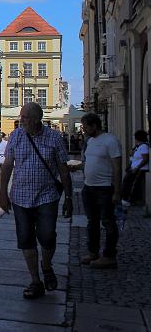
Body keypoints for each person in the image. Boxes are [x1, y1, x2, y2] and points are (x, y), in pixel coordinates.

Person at [0, 102, 72, 299]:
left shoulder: (54, 137)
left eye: (25, 118)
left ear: (37, 119)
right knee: (26, 241)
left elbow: (63, 169)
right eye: (21, 117)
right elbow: (7, 166)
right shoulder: (16, 136)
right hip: (20, 197)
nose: (21, 120)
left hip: (47, 196)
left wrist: (69, 198)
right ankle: (35, 280)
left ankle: (46, 265)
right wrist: (3, 194)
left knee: (48, 236)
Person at [79, 113, 121, 269]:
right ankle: (93, 252)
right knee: (92, 222)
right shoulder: (90, 141)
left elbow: (117, 168)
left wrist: (117, 191)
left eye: (85, 127)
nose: (84, 130)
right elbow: (90, 162)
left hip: (104, 188)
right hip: (89, 187)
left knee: (108, 222)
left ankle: (109, 256)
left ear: (94, 126)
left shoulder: (110, 141)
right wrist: (77, 167)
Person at [122, 130, 149, 206]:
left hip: (140, 169)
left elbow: (145, 159)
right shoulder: (139, 146)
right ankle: (125, 199)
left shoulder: (144, 146)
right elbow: (134, 157)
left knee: (133, 185)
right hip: (134, 168)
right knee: (126, 182)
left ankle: (130, 200)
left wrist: (137, 168)